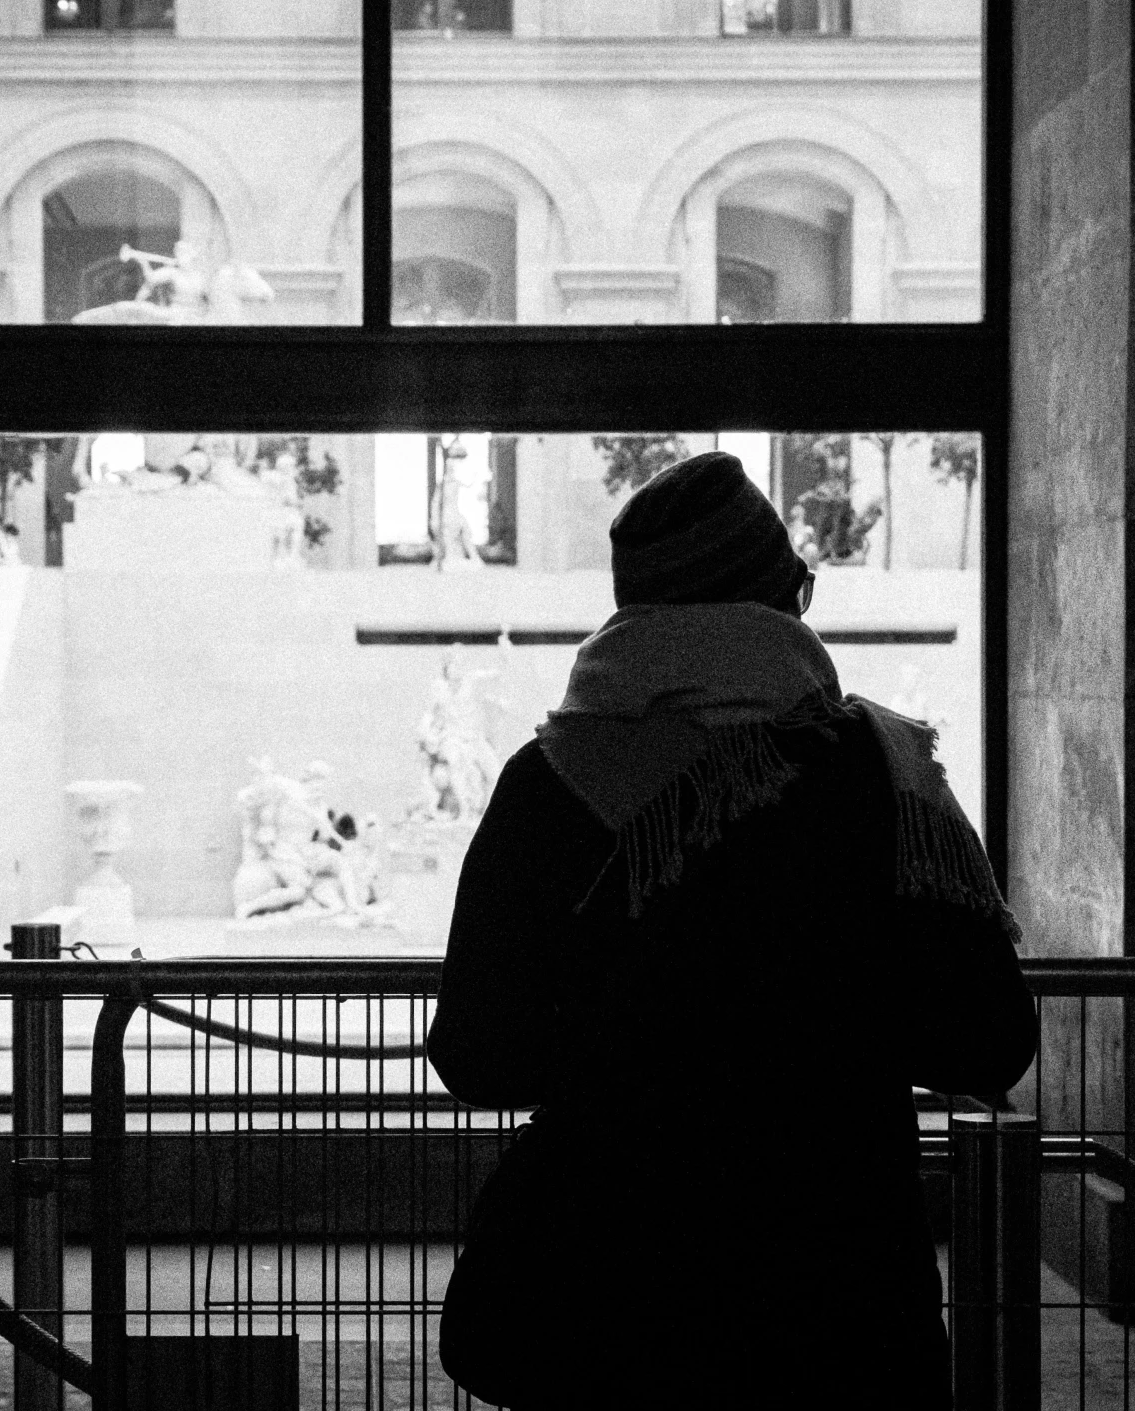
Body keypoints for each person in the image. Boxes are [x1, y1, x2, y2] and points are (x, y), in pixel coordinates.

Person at [426, 452, 1036, 1409]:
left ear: (629, 616)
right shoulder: (886, 774)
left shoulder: (544, 787)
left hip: (606, 1296)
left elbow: (477, 1050)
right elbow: (989, 1035)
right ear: (782, 598)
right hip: (840, 1293)